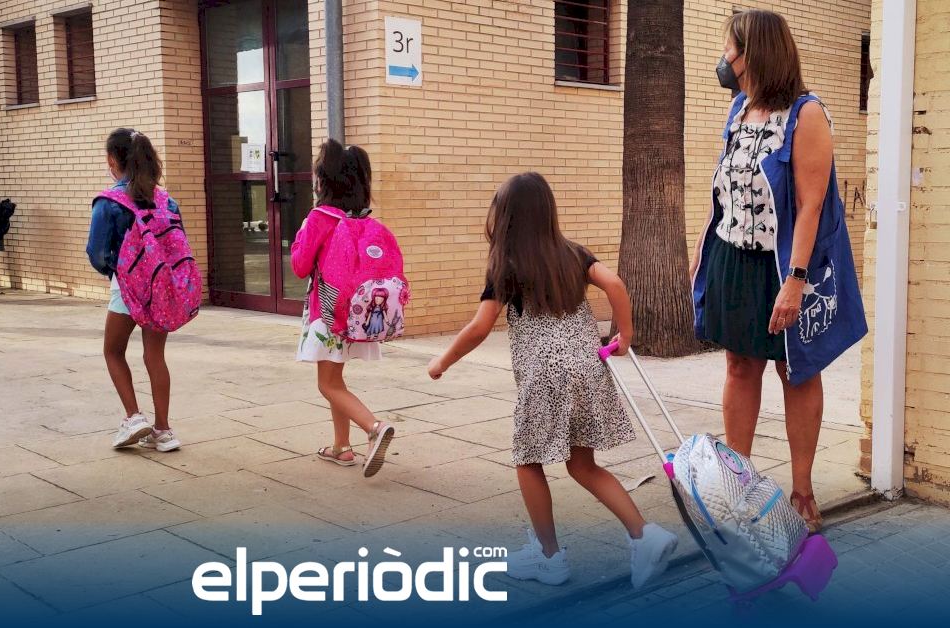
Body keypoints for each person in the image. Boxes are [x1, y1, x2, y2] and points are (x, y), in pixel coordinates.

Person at [427, 172, 678, 589]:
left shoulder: (507, 265)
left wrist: (442, 361)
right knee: (582, 464)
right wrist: (625, 335)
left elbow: (480, 326)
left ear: (506, 218)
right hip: (587, 369)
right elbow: (614, 283)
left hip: (544, 377)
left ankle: (548, 557)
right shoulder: (572, 254)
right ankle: (644, 534)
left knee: (527, 461)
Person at [690, 10, 867, 533]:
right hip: (734, 257)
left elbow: (811, 204)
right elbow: (725, 184)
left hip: (784, 263)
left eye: (731, 49)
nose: (725, 59)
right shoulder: (739, 109)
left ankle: (802, 493)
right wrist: (703, 242)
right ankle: (739, 489)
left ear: (756, 54)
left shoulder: (806, 114)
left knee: (796, 370)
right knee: (739, 366)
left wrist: (796, 279)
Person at [291, 139, 395, 478]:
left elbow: (300, 266)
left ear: (325, 179)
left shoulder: (320, 217)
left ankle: (374, 427)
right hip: (356, 315)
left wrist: (299, 237)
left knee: (328, 384)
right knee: (336, 378)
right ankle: (341, 447)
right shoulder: (362, 219)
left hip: (327, 313)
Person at [86, 128, 182, 452]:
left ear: (113, 160)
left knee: (113, 351)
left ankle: (133, 416)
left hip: (127, 288)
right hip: (162, 287)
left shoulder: (108, 202)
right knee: (155, 355)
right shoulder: (166, 199)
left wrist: (115, 272)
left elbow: (97, 252)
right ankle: (164, 431)